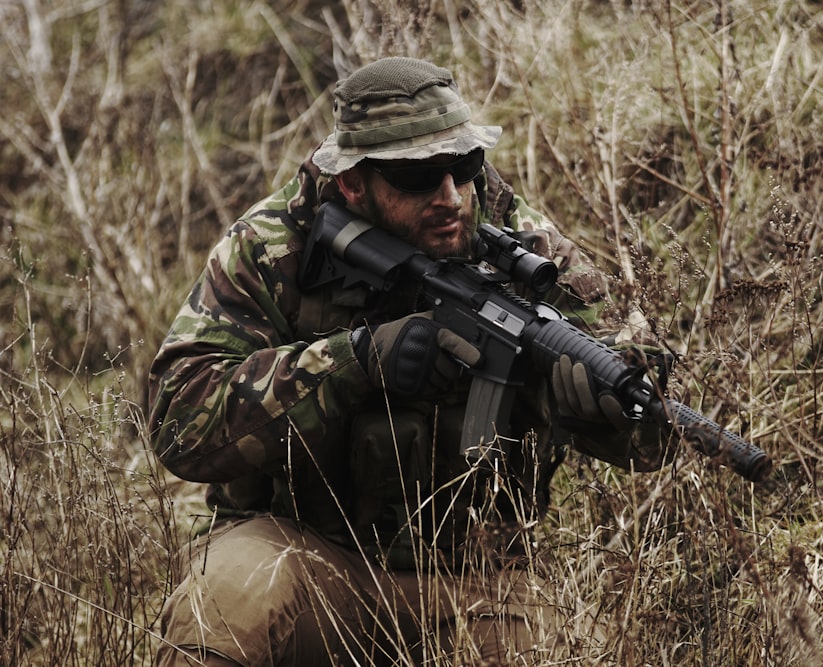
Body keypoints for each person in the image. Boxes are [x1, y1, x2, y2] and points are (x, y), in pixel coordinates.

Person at [148, 56, 672, 666]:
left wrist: (598, 409)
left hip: (474, 577)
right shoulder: (272, 247)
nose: (450, 197)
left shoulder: (523, 245)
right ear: (352, 182)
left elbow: (643, 426)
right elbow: (179, 420)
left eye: (464, 167)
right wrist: (352, 362)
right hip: (305, 553)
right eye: (418, 177)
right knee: (226, 603)